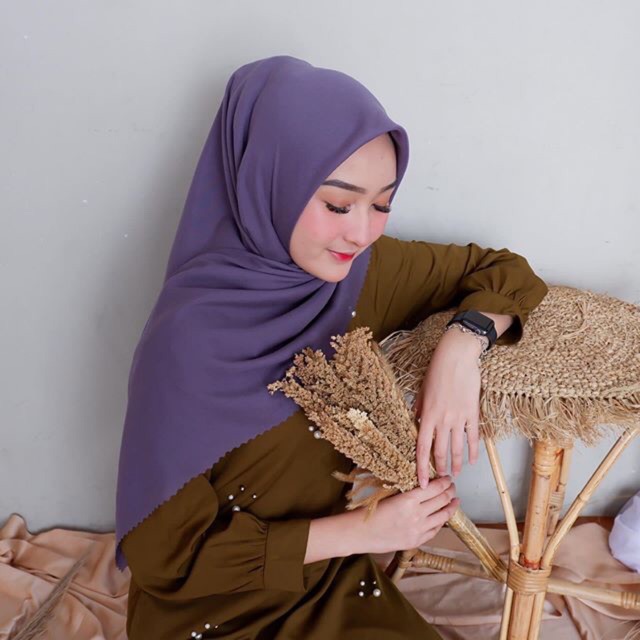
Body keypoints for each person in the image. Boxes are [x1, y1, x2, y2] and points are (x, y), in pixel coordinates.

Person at [115, 55, 548, 639]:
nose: (362, 231)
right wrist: (367, 533)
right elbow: (167, 560)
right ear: (268, 184)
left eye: (383, 203)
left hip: (328, 589)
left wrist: (463, 344)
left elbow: (506, 271)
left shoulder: (356, 276)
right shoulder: (185, 344)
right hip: (210, 616)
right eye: (338, 205)